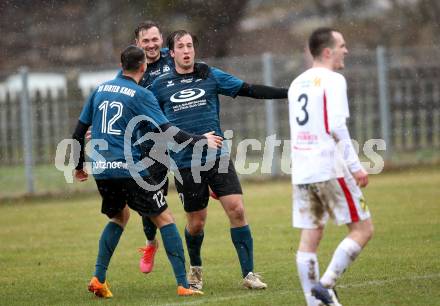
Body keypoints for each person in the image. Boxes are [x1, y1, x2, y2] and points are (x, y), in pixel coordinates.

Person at [72, 45, 222, 298]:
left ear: (121, 65)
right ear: (143, 66)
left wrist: (78, 166)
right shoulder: (141, 94)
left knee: (119, 218)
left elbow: (78, 133)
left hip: (102, 170)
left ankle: (99, 278)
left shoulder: (100, 90)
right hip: (129, 168)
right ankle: (183, 284)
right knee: (165, 219)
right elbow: (168, 131)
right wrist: (200, 139)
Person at [150, 30, 288, 290]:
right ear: (172, 53)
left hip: (217, 156)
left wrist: (289, 92)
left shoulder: (208, 74)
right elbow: (157, 124)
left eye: (190, 45)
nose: (187, 50)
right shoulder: (160, 86)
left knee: (237, 209)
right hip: (185, 162)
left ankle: (249, 274)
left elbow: (249, 89)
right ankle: (196, 270)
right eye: (181, 46)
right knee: (196, 222)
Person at [287, 27, 374, 306]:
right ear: (328, 51)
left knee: (311, 234)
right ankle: (325, 285)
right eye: (342, 46)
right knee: (362, 229)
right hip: (329, 168)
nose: (345, 50)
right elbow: (336, 126)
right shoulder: (333, 81)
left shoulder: (296, 83)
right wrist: (355, 166)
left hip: (302, 170)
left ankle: (314, 302)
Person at [132, 21, 211, 274]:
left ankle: (213, 183)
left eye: (155, 39)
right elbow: (120, 98)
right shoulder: (133, 68)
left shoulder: (175, 54)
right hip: (150, 142)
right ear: (138, 44)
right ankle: (149, 242)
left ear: (162, 40)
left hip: (179, 139)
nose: (152, 45)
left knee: (196, 180)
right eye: (146, 41)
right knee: (153, 197)